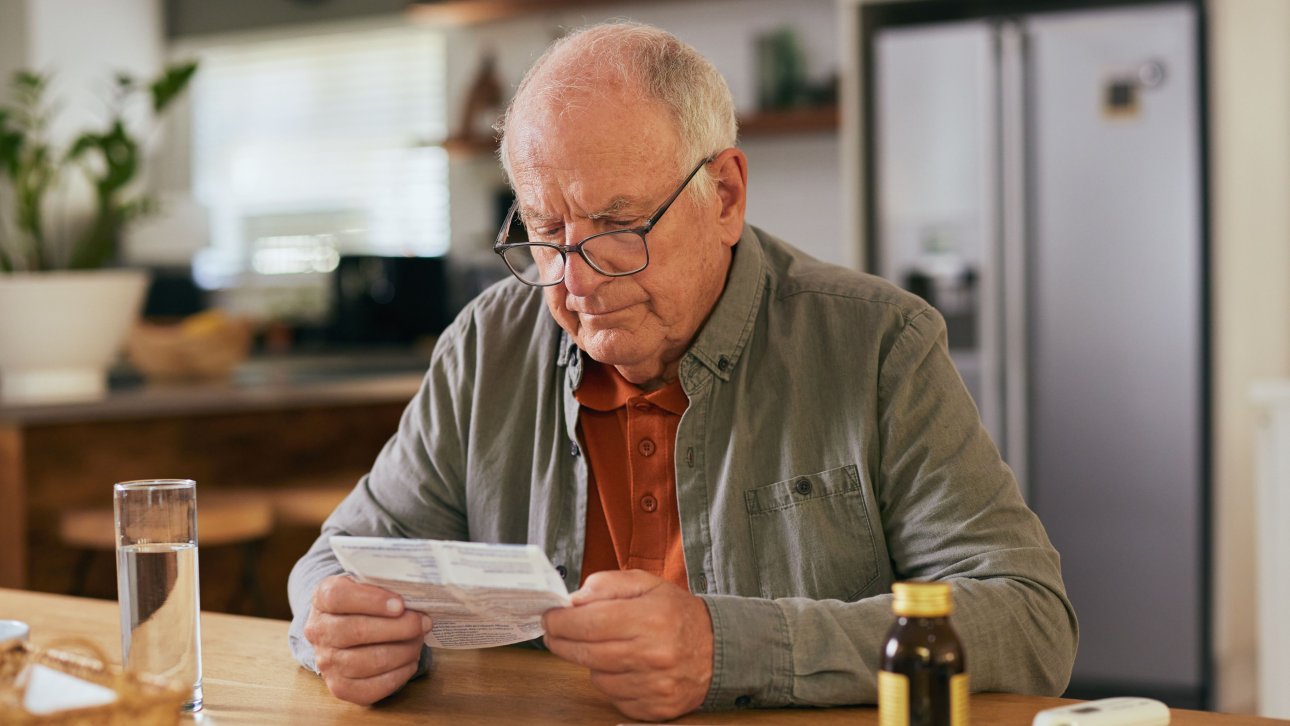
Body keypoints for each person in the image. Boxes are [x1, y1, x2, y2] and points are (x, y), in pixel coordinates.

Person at [288, 21, 1078, 721]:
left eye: (619, 227)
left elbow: (1029, 621)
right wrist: (342, 628)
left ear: (725, 195)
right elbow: (334, 562)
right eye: (545, 232)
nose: (577, 281)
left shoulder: (877, 344)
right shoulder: (486, 345)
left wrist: (727, 648)